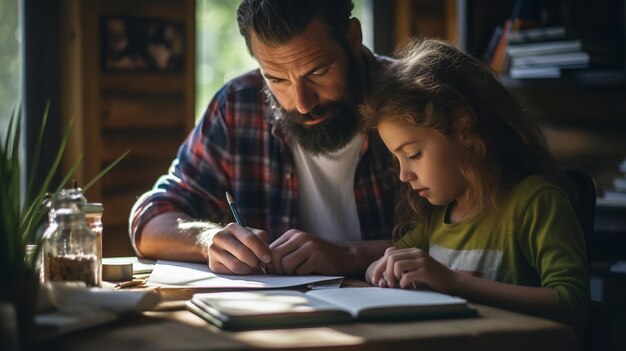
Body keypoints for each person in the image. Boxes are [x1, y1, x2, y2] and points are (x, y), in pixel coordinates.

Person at [129, 0, 398, 276]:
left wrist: (351, 255)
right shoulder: (238, 106)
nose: (302, 103)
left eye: (318, 72)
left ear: (353, 38)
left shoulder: (412, 97)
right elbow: (150, 219)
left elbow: (444, 246)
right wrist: (207, 240)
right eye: (278, 79)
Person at [361, 39, 589, 335]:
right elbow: (384, 265)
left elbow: (573, 304)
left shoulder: (534, 202)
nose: (404, 174)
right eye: (397, 159)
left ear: (464, 130)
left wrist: (455, 283)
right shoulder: (438, 217)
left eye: (413, 155)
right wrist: (378, 270)